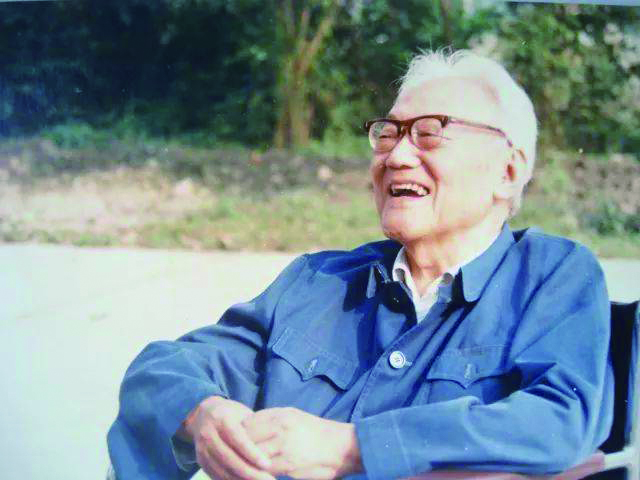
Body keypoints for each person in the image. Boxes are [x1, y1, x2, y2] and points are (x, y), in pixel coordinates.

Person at [107, 49, 613, 480]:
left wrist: (351, 447)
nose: (396, 156)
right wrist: (206, 415)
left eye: (430, 134)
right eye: (388, 134)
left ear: (508, 170)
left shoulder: (552, 276)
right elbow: (162, 371)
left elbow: (559, 419)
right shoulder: (319, 281)